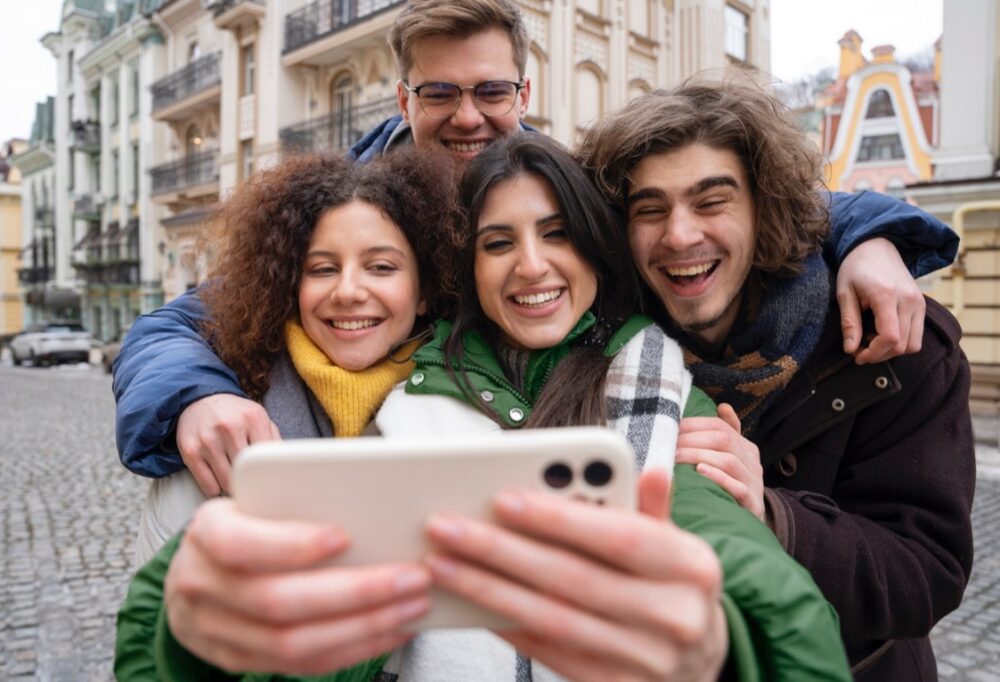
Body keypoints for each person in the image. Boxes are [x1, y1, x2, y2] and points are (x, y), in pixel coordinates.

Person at [113, 0, 959, 500]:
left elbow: (732, 202)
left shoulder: (565, 185)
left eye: (490, 90)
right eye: (439, 92)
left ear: (526, 90)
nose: (467, 115)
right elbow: (172, 329)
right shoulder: (343, 207)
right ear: (404, 95)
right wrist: (192, 401)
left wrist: (869, 236)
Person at [125, 133, 851, 681]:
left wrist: (726, 640)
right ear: (465, 267)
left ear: (598, 248)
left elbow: (755, 584)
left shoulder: (659, 383)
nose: (531, 265)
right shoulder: (402, 391)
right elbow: (193, 605)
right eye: (498, 242)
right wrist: (193, 627)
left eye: (557, 233)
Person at [577, 75, 976, 681]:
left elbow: (925, 575)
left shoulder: (898, 343)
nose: (680, 234)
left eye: (712, 202)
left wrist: (771, 516)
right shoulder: (601, 341)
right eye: (650, 209)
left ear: (765, 209)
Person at [115, 147, 460, 677]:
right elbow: (148, 653)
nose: (349, 291)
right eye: (321, 269)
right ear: (290, 287)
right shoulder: (218, 437)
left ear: (423, 291)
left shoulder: (466, 420)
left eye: (382, 267)